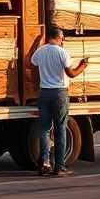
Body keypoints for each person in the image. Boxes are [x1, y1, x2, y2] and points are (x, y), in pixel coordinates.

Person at [30, 26, 89, 177]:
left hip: (43, 93)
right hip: (59, 94)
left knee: (44, 129)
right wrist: (82, 66)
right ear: (57, 37)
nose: (63, 40)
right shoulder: (62, 53)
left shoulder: (40, 52)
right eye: (62, 37)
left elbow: (31, 65)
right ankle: (60, 166)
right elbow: (71, 73)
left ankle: (44, 162)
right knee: (60, 129)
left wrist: (38, 83)